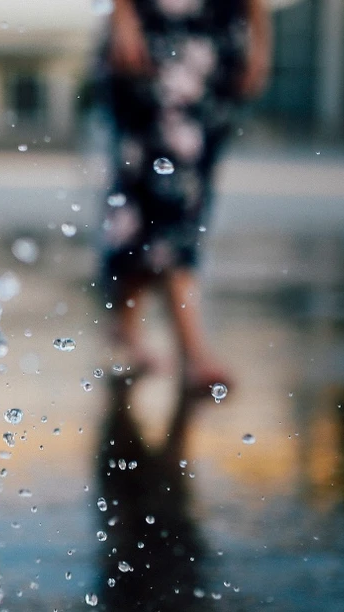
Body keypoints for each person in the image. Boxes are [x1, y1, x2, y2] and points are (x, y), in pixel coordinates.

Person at [97, 0, 270, 391]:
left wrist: (259, 41)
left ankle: (124, 328)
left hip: (213, 39)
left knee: (164, 191)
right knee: (167, 190)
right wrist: (122, 15)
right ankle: (192, 352)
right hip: (152, 32)